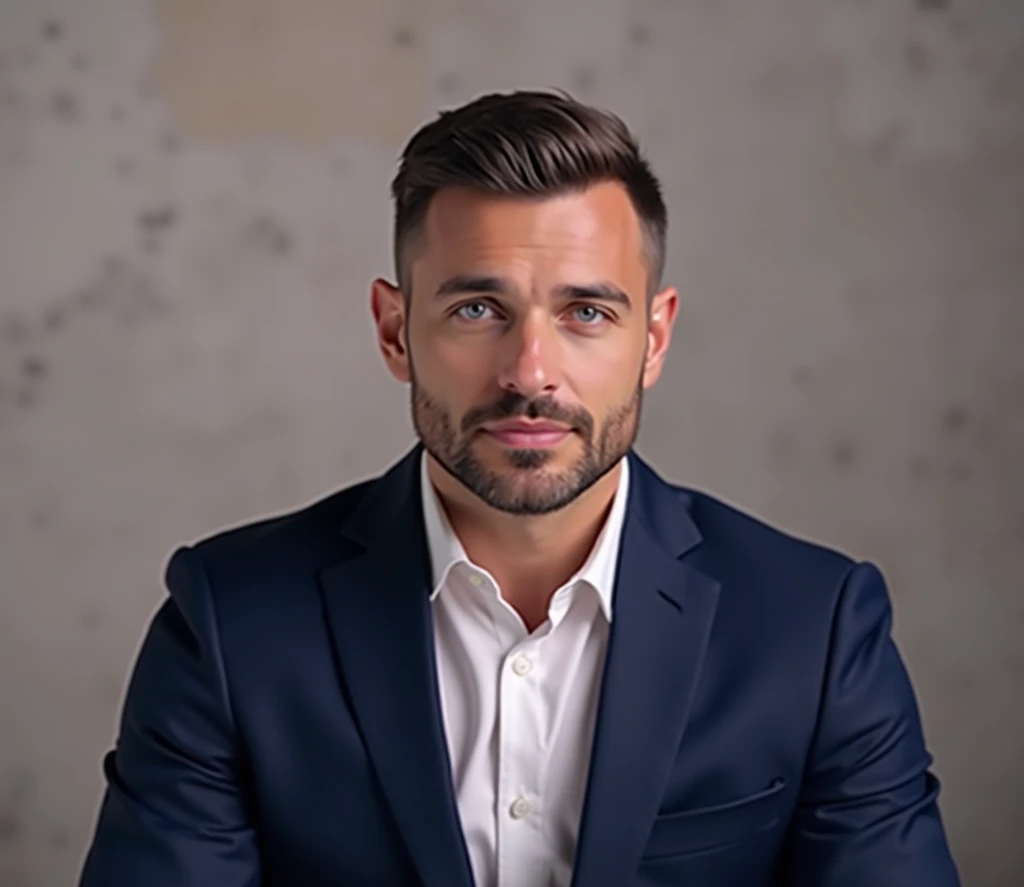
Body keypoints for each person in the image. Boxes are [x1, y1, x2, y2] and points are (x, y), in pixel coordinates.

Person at [79, 90, 960, 887]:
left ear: (653, 338)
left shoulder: (815, 627)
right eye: (476, 309)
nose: (531, 371)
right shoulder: (230, 620)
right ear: (395, 332)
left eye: (587, 313)